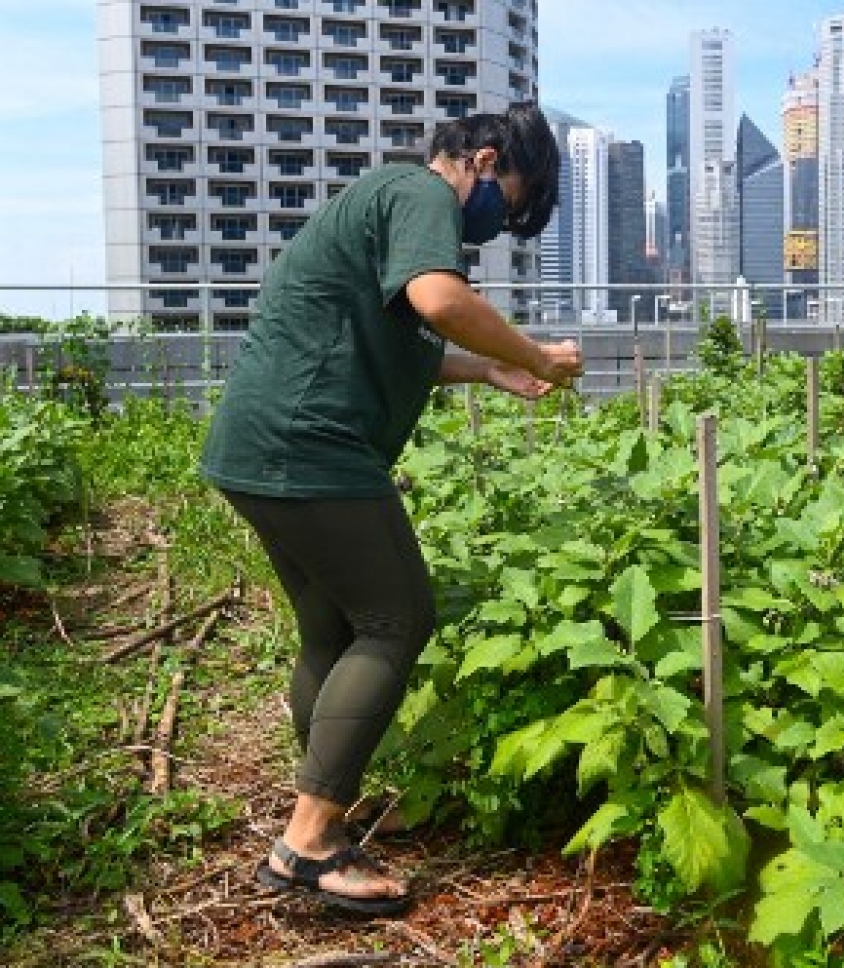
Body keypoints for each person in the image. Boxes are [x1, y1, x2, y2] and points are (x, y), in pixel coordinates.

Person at [199, 103, 583, 917]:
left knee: (332, 633)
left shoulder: (379, 201)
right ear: (481, 161)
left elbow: (396, 335)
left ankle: (323, 809)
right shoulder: (421, 195)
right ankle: (308, 841)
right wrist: (538, 354)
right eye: (510, 203)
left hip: (259, 445)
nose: (500, 222)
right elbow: (440, 300)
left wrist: (488, 375)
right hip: (313, 445)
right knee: (399, 616)